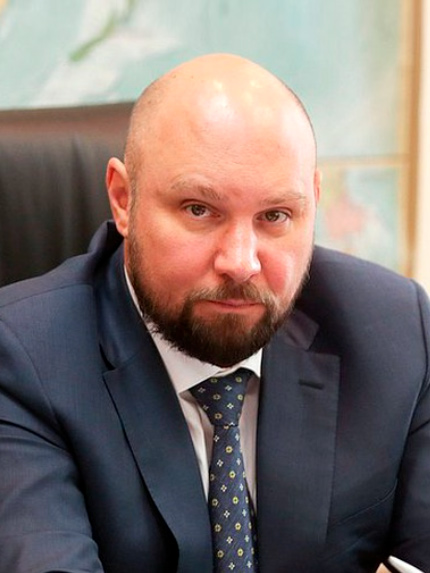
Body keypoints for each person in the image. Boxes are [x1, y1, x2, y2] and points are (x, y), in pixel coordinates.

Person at [0, 53, 429, 573]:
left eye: (275, 216)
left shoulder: (396, 331)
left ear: (313, 202)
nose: (241, 263)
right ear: (123, 199)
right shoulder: (22, 359)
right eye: (199, 210)